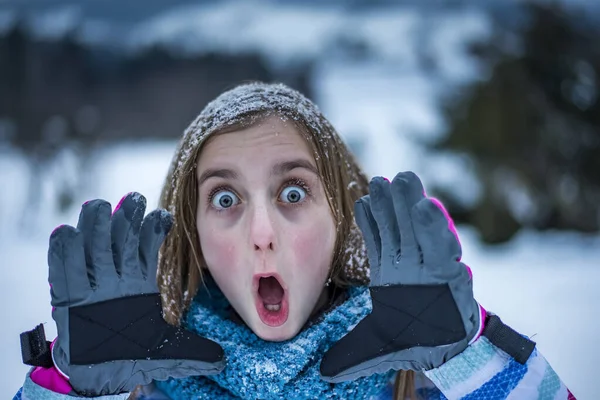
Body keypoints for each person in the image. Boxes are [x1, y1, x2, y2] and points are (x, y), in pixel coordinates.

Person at [15, 82, 575, 400]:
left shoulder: (429, 384)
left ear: (342, 218)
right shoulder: (133, 383)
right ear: (193, 234)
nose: (262, 236)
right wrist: (66, 392)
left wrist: (474, 362)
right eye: (225, 199)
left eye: (292, 193)